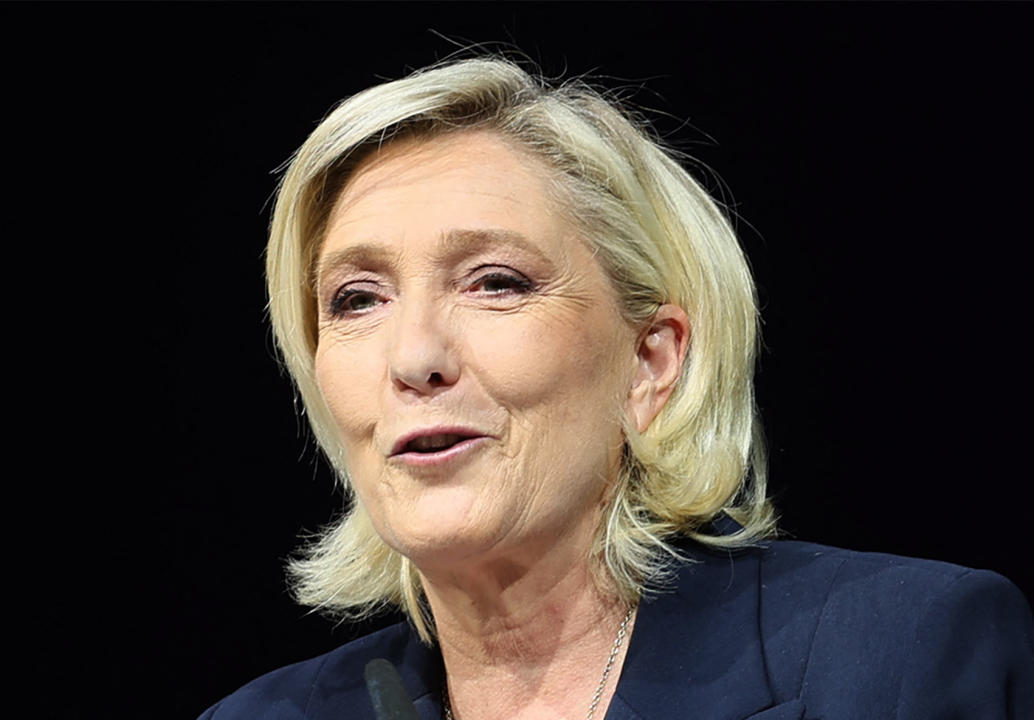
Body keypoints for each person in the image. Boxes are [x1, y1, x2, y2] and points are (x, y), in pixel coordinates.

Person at [198, 57, 1033, 720]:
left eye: (495, 282)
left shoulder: (892, 657)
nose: (414, 356)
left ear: (651, 362)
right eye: (357, 300)